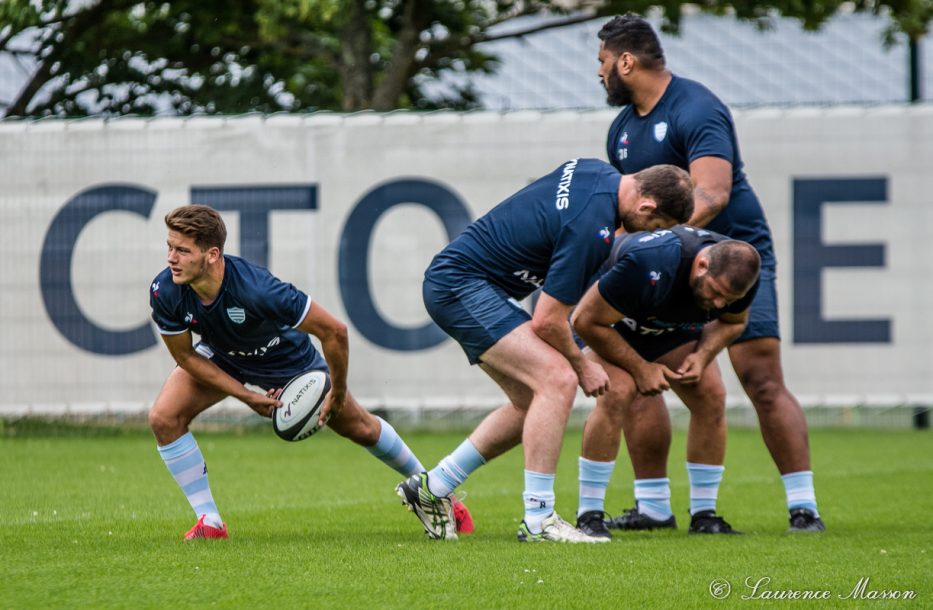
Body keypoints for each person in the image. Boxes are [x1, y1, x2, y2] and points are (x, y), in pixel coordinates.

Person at [593, 13, 825, 532]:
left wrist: (655, 244)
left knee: (760, 380)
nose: (600, 73)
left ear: (626, 62)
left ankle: (803, 507)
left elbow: (714, 194)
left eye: (603, 62)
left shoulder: (696, 108)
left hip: (731, 261)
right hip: (667, 266)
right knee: (641, 372)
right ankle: (653, 507)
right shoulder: (622, 130)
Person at [395, 158, 694, 542]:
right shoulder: (593, 226)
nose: (650, 234)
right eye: (657, 226)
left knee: (530, 401)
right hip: (461, 286)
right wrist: (582, 366)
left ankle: (432, 487)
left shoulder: (596, 171)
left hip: (462, 283)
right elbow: (548, 320)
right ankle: (539, 520)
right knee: (558, 379)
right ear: (647, 206)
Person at [148, 204, 473, 540]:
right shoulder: (166, 291)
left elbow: (335, 332)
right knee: (164, 418)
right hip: (222, 354)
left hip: (289, 362)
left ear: (212, 254)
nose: (172, 258)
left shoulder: (258, 289)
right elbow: (186, 356)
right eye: (170, 248)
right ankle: (211, 521)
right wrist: (245, 395)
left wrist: (339, 391)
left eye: (182, 251)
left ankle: (434, 490)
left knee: (360, 427)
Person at [571, 226, 760, 538]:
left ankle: (703, 516)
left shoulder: (740, 278)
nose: (716, 304)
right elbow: (585, 320)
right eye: (714, 292)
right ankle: (589, 516)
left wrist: (702, 356)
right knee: (618, 392)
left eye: (728, 299)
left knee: (711, 394)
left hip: (667, 327)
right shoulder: (650, 261)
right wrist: (641, 368)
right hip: (606, 322)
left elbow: (733, 323)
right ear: (701, 265)